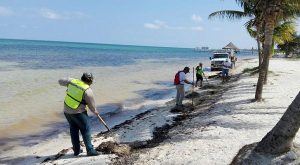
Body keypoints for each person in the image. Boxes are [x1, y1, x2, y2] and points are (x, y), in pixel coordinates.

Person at [58, 73, 99, 156]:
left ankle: (76, 151)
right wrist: (95, 111)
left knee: (73, 130)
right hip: (78, 113)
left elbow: (60, 81)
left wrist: (71, 81)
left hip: (67, 111)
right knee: (86, 129)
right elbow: (92, 107)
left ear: (82, 78)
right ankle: (90, 150)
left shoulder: (72, 81)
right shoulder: (88, 91)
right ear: (90, 81)